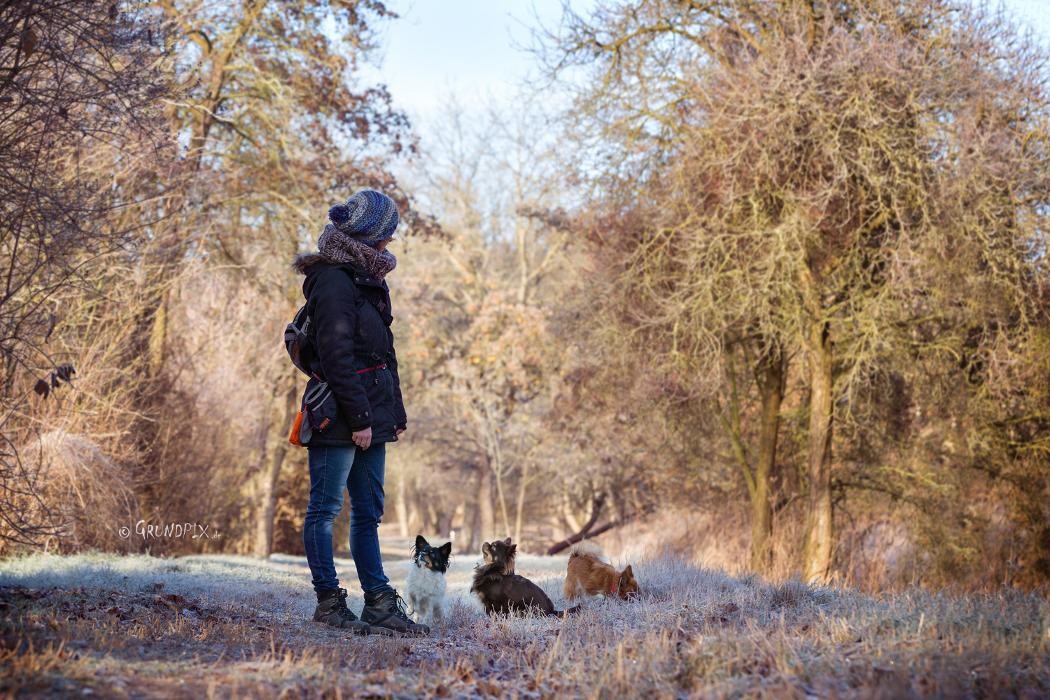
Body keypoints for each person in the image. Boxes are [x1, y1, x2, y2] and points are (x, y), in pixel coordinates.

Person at [292, 189, 428, 636]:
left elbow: (384, 354)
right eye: (386, 235)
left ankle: (379, 604)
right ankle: (329, 603)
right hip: (338, 415)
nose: (390, 243)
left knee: (368, 512)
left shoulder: (368, 276)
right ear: (369, 236)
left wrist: (394, 414)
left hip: (373, 411)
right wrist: (363, 420)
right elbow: (336, 356)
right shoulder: (333, 280)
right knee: (325, 509)